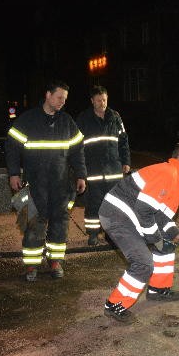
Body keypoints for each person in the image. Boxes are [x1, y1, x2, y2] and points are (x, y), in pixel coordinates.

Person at [100, 142, 179, 324]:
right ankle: (114, 305)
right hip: (117, 216)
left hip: (131, 216)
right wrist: (155, 239)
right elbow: (144, 210)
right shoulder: (168, 173)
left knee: (166, 248)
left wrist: (177, 236)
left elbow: (162, 217)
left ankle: (158, 290)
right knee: (143, 262)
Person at [5, 80, 86, 281]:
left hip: (61, 184)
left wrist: (81, 175)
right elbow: (12, 148)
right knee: (33, 223)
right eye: (59, 97)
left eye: (64, 99)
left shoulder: (67, 122)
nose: (62, 102)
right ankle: (32, 266)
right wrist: (14, 173)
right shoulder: (27, 120)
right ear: (48, 95)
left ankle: (55, 262)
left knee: (60, 223)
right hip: (34, 183)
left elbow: (78, 152)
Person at [76, 86, 131, 246]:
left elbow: (123, 140)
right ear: (92, 101)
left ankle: (111, 234)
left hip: (113, 170)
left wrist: (126, 161)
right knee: (93, 204)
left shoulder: (115, 117)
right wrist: (80, 169)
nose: (102, 103)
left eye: (105, 100)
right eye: (99, 100)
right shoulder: (83, 119)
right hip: (93, 171)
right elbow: (77, 146)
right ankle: (93, 234)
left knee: (114, 205)